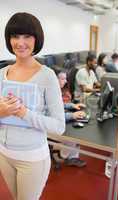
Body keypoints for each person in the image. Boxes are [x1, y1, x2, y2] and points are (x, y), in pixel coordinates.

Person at [0, 12, 65, 200]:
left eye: (27, 36)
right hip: (4, 154)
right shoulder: (2, 73)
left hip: (32, 158)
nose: (20, 42)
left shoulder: (47, 76)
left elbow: (58, 126)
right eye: (15, 36)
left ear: (36, 39)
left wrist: (23, 113)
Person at [55, 70, 87, 167]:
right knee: (72, 137)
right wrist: (72, 115)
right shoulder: (49, 92)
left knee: (76, 131)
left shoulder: (56, 90)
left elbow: (61, 105)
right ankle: (61, 156)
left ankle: (72, 157)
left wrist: (73, 105)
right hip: (49, 126)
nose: (65, 81)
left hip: (58, 119)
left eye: (65, 79)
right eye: (62, 79)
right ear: (54, 79)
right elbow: (55, 115)